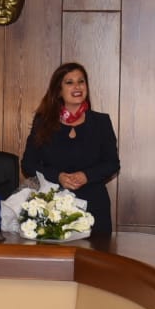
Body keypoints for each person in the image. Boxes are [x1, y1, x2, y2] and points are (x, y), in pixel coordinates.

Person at [19, 62, 119, 238]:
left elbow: (112, 164)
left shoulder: (101, 122)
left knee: (97, 254)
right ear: (58, 90)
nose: (77, 86)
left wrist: (86, 175)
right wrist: (57, 176)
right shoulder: (43, 122)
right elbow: (28, 164)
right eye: (69, 82)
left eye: (81, 81)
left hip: (94, 206)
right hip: (53, 208)